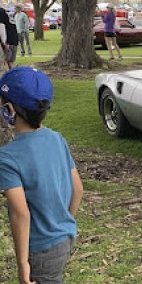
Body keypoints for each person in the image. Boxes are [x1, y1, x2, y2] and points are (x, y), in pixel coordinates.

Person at [0, 67, 84, 284]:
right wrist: (64, 224)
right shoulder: (57, 138)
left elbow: (20, 214)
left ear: (9, 109)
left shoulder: (7, 158)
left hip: (39, 249)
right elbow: (78, 189)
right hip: (65, 238)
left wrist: (22, 264)